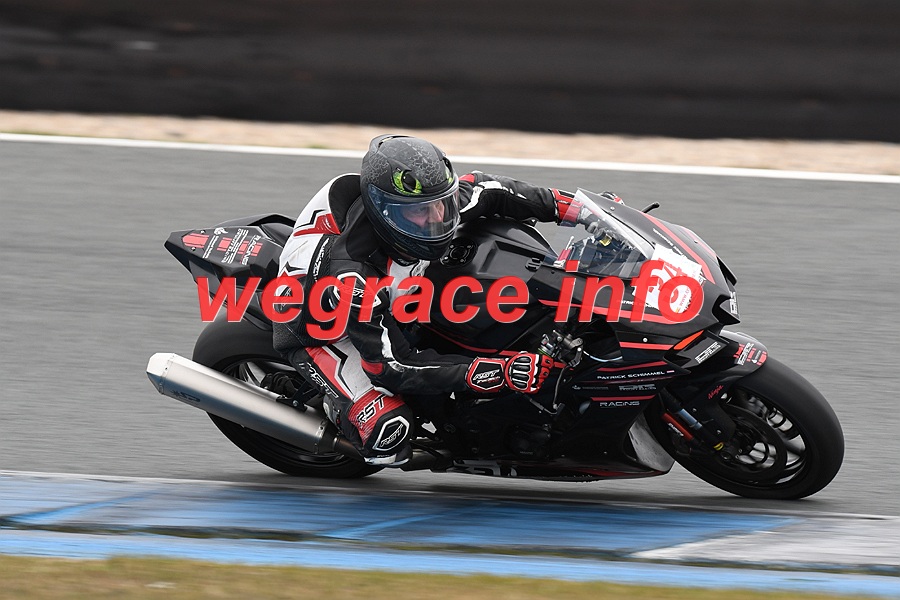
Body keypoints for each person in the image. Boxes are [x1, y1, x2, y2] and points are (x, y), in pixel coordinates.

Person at [273, 134, 605, 465]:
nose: (436, 218)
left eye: (441, 204)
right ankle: (336, 407)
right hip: (318, 329)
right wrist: (496, 372)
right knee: (388, 432)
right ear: (386, 212)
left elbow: (494, 190)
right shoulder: (353, 279)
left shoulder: (432, 202)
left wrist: (580, 210)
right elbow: (392, 366)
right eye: (420, 212)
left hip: (395, 293)